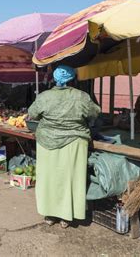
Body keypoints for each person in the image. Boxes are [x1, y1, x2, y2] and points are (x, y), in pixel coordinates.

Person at [28, 65, 101, 228]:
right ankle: (67, 217)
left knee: (49, 178)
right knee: (71, 179)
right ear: (73, 79)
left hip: (47, 142)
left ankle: (50, 214)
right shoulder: (82, 96)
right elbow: (94, 113)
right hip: (75, 143)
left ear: (54, 78)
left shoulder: (44, 96)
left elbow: (32, 113)